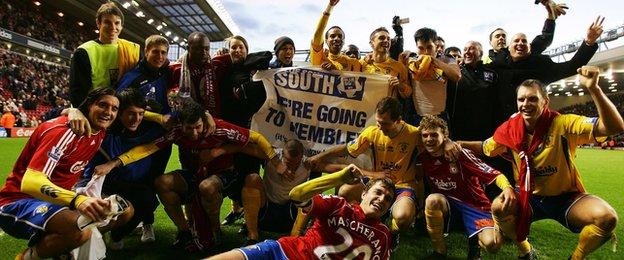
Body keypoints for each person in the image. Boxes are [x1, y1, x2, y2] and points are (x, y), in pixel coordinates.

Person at [461, 66, 624, 259]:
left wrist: (594, 89)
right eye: (521, 99)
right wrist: (459, 143)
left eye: (532, 98)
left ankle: (576, 258)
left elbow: (614, 127)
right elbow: (484, 146)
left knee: (607, 218)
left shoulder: (563, 124)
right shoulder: (509, 131)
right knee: (498, 207)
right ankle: (526, 251)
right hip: (528, 197)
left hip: (565, 197)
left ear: (545, 102)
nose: (525, 104)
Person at [93, 98, 286, 249]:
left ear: (204, 122)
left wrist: (276, 161)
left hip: (224, 174)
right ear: (181, 124)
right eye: (189, 128)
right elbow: (147, 148)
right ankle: (185, 231)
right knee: (162, 182)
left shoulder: (219, 128)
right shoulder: (177, 131)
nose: (194, 133)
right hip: (194, 174)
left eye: (198, 127)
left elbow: (257, 137)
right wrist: (115, 163)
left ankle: (214, 230)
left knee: (207, 187)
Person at [0, 88, 133, 259]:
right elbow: (30, 182)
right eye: (102, 105)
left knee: (124, 211)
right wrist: (78, 200)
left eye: (114, 109)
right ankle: (28, 256)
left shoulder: (99, 131)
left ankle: (63, 246)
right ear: (89, 106)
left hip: (59, 200)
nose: (108, 112)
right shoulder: (65, 131)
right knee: (80, 230)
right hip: (18, 202)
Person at [207, 165, 395, 260]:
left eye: (388, 199)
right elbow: (297, 195)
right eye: (378, 192)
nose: (381, 199)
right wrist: (338, 177)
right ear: (364, 193)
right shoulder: (339, 205)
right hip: (284, 251)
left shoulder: (383, 235)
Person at [418, 115, 516, 259]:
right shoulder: (423, 157)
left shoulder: (460, 153)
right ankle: (439, 252)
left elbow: (494, 174)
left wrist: (507, 188)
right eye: (425, 135)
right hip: (448, 205)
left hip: (474, 206)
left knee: (492, 245)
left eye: (434, 135)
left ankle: (484, 235)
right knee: (432, 200)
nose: (429, 139)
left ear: (445, 136)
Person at [78, 89, 163, 248]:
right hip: (103, 182)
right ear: (119, 112)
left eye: (140, 114)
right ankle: (85, 236)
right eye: (131, 113)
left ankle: (117, 235)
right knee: (108, 210)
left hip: (133, 182)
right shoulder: (105, 128)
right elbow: (54, 115)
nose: (136, 119)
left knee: (148, 201)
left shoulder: (149, 128)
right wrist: (72, 111)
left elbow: (176, 119)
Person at [69, 2, 140, 107]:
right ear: (98, 23)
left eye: (117, 23)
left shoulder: (133, 49)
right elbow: (78, 93)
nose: (113, 27)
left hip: (122, 111)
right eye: (107, 22)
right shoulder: (84, 51)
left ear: (121, 26)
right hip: (93, 110)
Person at [401, 27, 460, 125]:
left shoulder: (447, 60)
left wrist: (433, 60)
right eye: (421, 48)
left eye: (429, 47)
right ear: (416, 47)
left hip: (440, 116)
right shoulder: (411, 61)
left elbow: (456, 76)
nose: (425, 52)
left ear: (436, 46)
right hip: (417, 116)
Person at [485, 0, 568, 65]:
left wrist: (551, 18)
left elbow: (543, 40)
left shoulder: (520, 52)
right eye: (497, 36)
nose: (501, 38)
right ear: (490, 43)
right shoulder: (484, 62)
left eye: (504, 36)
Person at [117, 35, 173, 114]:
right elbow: (120, 105)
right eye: (155, 52)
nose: (160, 56)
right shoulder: (132, 78)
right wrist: (158, 118)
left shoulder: (166, 74)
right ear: (146, 52)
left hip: (164, 125)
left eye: (163, 52)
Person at [309, 0, 361, 72]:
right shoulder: (319, 58)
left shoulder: (354, 62)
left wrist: (335, 70)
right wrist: (330, 7)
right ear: (326, 41)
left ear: (344, 41)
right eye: (332, 36)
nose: (337, 38)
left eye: (340, 36)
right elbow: (317, 35)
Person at [361, 27, 411, 98]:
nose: (386, 41)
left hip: (387, 108)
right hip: (364, 108)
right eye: (381, 38)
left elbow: (408, 94)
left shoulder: (399, 66)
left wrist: (400, 85)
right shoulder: (361, 64)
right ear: (371, 43)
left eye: (388, 39)